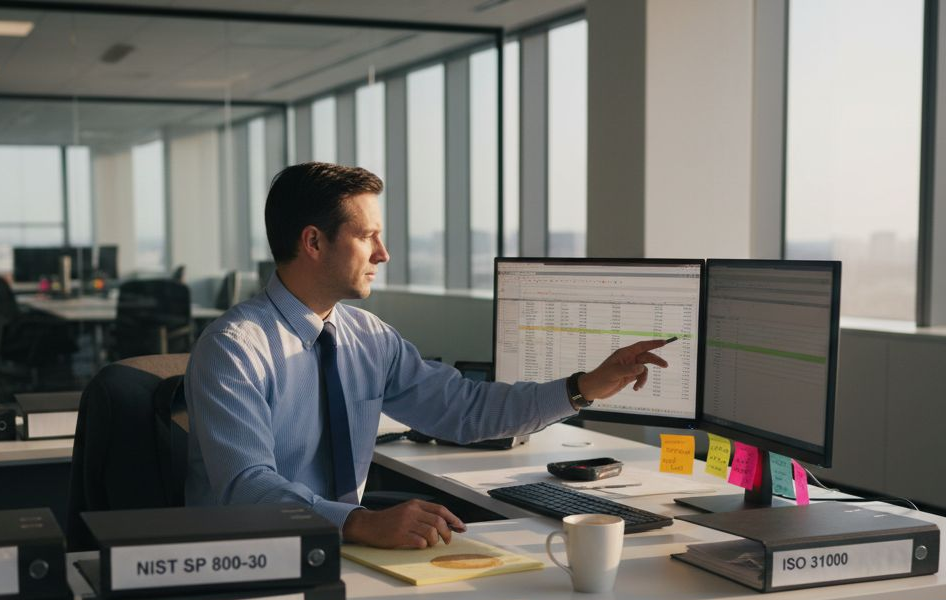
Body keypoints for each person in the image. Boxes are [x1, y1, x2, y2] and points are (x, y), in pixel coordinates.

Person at [185, 163, 673, 549]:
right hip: (254, 557)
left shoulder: (369, 339)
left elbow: (465, 410)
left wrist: (582, 388)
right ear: (313, 242)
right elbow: (247, 486)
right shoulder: (233, 349)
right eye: (366, 236)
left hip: (347, 553)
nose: (383, 254)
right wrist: (359, 522)